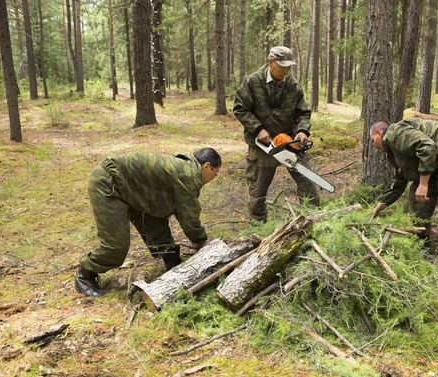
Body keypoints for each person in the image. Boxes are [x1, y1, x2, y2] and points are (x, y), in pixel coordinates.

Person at [75, 148, 222, 297]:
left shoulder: (184, 167)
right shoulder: (188, 173)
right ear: (207, 166)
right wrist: (201, 240)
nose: (213, 178)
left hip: (133, 190)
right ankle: (85, 275)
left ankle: (171, 260)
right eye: (215, 173)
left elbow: (174, 207)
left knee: (154, 220)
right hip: (109, 182)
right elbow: (188, 214)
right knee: (116, 246)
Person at [369, 118, 438, 283]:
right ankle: (422, 256)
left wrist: (423, 183)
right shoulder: (394, 149)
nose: (374, 146)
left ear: (379, 132)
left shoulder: (393, 133)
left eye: (373, 140)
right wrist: (382, 203)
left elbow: (427, 147)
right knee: (418, 208)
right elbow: (401, 178)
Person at [233, 45, 319, 222]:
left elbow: (302, 112)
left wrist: (302, 131)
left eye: (289, 66)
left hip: (289, 142)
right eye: (283, 66)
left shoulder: (293, 86)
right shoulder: (252, 82)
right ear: (270, 62)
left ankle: (312, 221)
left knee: (307, 182)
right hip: (263, 145)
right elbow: (240, 109)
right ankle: (258, 229)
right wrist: (258, 129)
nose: (286, 70)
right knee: (258, 191)